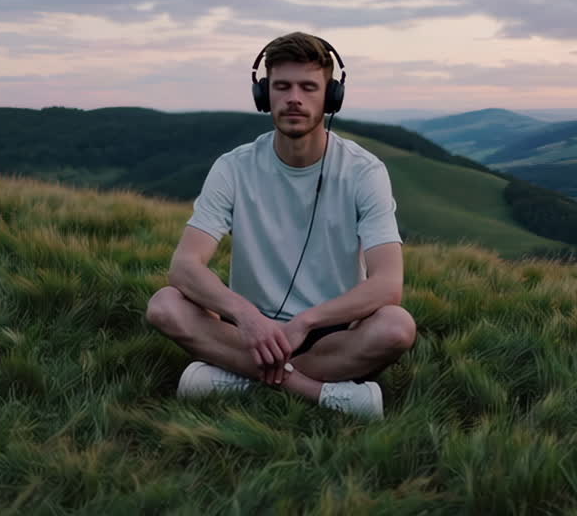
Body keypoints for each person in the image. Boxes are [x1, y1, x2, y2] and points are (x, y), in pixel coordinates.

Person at [145, 32, 417, 420]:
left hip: (331, 333)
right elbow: (184, 267)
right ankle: (314, 391)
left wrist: (306, 322)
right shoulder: (233, 167)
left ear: (331, 96)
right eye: (282, 86)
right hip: (249, 331)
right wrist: (248, 317)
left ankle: (236, 378)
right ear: (264, 94)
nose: (294, 98)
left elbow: (388, 285)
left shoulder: (364, 172)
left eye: (308, 87)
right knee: (164, 305)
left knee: (396, 327)